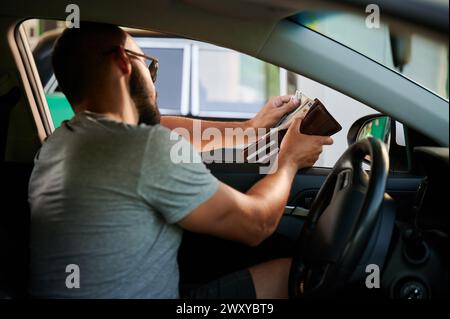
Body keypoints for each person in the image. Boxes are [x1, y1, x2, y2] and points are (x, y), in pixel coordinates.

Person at [28, 22, 333, 298]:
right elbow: (256, 224)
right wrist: (289, 162)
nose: (154, 80)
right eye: (150, 66)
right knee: (297, 278)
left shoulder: (59, 144)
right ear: (124, 62)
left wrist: (250, 129)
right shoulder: (143, 150)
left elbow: (160, 129)